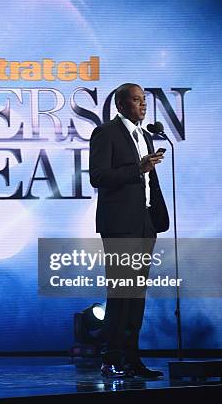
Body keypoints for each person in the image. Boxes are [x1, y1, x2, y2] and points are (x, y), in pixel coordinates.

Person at [89, 83, 169, 378]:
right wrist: (137, 168)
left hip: (144, 223)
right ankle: (110, 358)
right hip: (120, 224)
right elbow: (97, 176)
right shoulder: (106, 133)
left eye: (144, 100)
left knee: (136, 295)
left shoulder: (146, 136)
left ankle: (132, 358)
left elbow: (149, 181)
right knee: (121, 293)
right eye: (136, 100)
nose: (143, 105)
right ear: (121, 104)